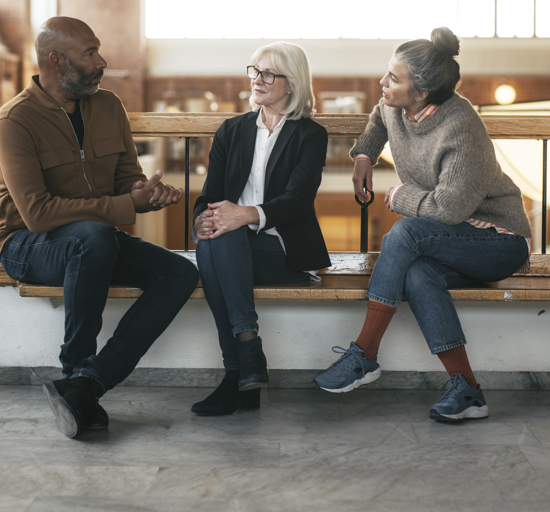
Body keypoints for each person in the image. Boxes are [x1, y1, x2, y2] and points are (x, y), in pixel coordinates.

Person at [0, 16, 199, 438]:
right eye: (90, 53)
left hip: (92, 240)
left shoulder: (108, 106)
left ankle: (87, 384)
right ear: (56, 60)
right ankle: (75, 369)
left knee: (179, 272)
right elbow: (37, 214)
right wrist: (126, 204)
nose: (102, 61)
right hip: (27, 244)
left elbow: (127, 177)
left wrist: (148, 192)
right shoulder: (15, 120)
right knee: (94, 235)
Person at [314, 27, 531, 422]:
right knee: (416, 274)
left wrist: (400, 198)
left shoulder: (462, 128)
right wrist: (364, 155)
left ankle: (364, 353)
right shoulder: (395, 106)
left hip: (497, 240)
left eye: (393, 79)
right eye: (387, 72)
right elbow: (379, 119)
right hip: (450, 239)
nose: (382, 83)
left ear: (422, 93)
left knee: (406, 230)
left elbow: (447, 210)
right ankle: (468, 391)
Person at [191, 41, 331, 416]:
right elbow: (209, 198)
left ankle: (238, 366)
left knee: (220, 242)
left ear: (292, 83)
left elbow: (298, 200)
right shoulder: (231, 130)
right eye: (254, 70)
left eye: (268, 73)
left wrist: (245, 215)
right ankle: (246, 363)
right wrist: (204, 220)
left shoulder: (310, 135)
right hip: (232, 245)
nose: (257, 79)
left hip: (284, 250)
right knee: (213, 240)